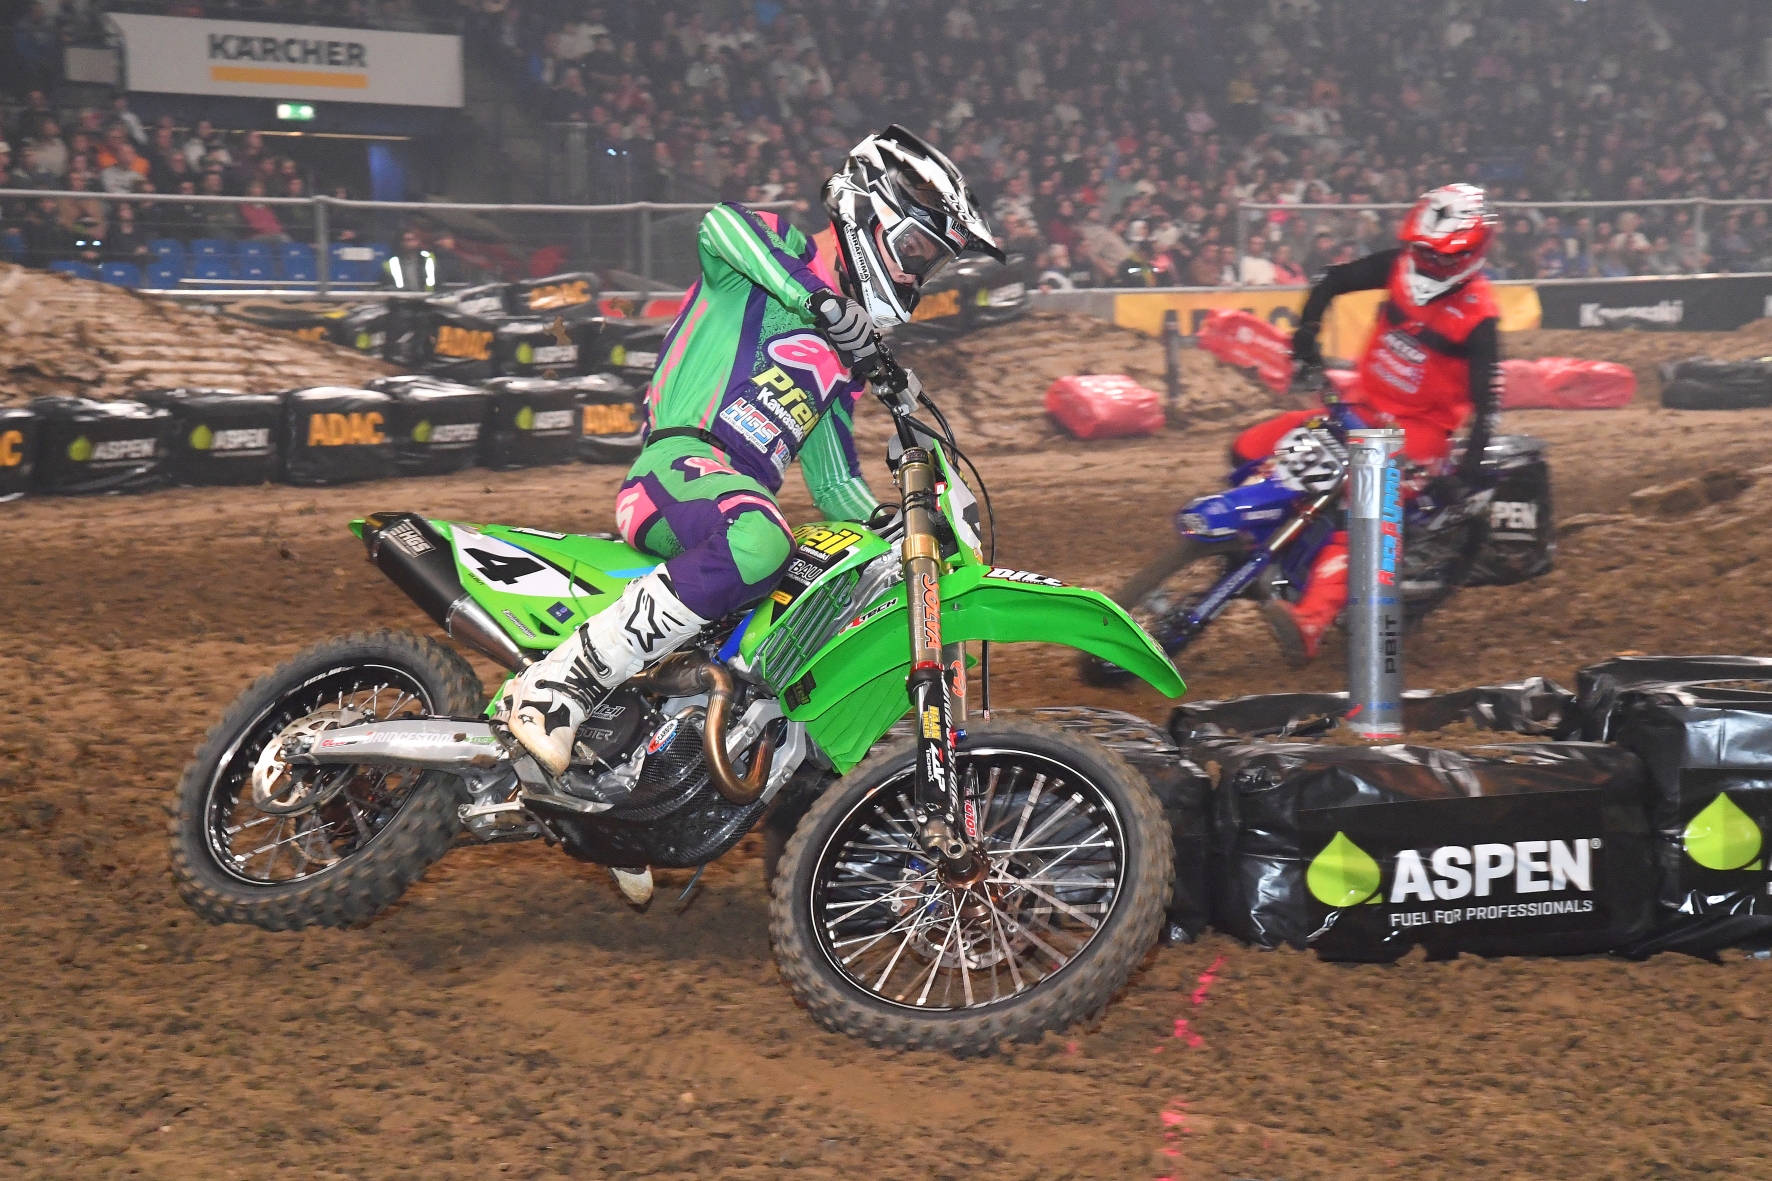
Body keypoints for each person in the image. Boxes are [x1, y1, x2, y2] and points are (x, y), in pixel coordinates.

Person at [497, 125, 1002, 805]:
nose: (915, 275)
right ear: (869, 215)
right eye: (916, 250)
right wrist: (819, 300)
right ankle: (561, 682)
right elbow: (718, 225)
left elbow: (835, 484)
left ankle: (683, 762)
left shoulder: (834, 368)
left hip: (726, 496)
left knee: (835, 575)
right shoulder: (773, 252)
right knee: (763, 539)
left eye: (930, 265)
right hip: (675, 465)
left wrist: (895, 525)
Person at [1233, 183, 1503, 664]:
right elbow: (1332, 281)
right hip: (1359, 407)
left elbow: (1488, 403)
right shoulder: (1401, 265)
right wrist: (1306, 337)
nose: (1426, 262)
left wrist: (1470, 468)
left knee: (1361, 509)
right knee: (1250, 447)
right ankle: (1261, 549)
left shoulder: (1479, 316)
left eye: (1438, 256)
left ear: (1470, 254)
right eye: (1421, 250)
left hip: (1417, 435)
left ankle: (1311, 621)